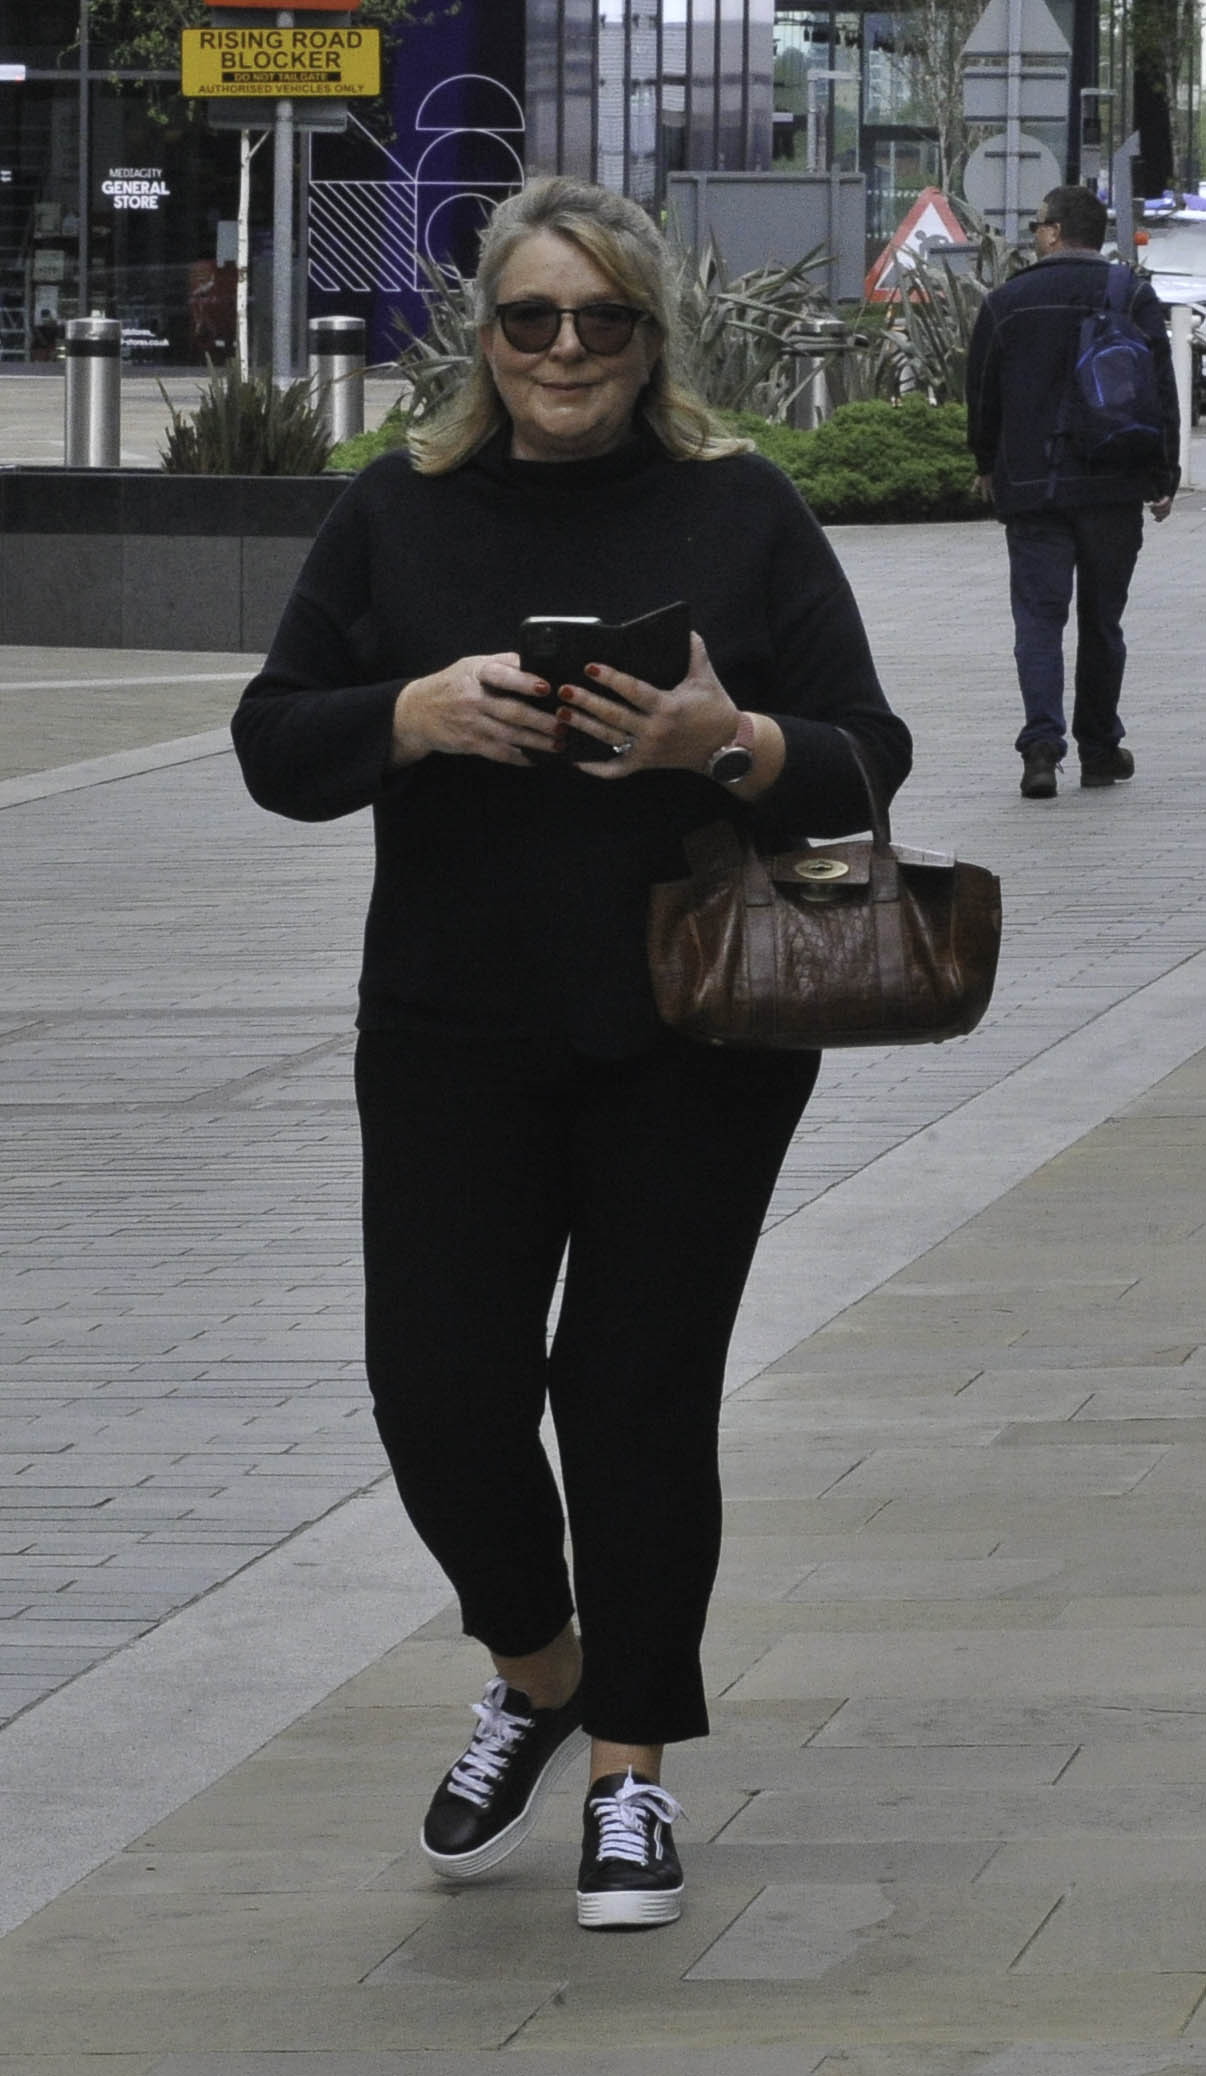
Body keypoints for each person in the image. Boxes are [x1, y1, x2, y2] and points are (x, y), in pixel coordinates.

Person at [231, 174, 911, 1931]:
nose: (563, 352)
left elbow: (865, 755)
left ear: (648, 337)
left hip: (699, 1032)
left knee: (631, 1398)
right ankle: (538, 1672)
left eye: (600, 321)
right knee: (437, 1390)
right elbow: (271, 744)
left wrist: (728, 739)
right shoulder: (399, 511)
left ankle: (630, 1770)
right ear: (485, 336)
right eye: (531, 319)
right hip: (454, 1028)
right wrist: (407, 713)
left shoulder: (739, 509)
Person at [966, 184, 1179, 799]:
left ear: (1055, 231)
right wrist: (1162, 477)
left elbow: (982, 395)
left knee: (1038, 620)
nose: (1033, 235)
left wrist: (986, 461)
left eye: (1036, 226)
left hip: (1034, 490)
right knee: (1102, 621)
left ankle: (1040, 749)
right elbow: (1160, 391)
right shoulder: (1130, 293)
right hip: (1113, 485)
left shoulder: (1006, 302)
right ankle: (1100, 749)